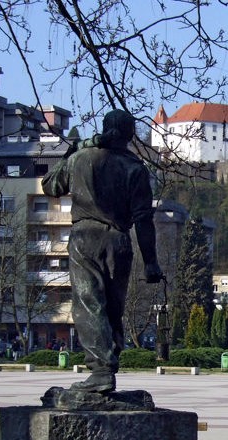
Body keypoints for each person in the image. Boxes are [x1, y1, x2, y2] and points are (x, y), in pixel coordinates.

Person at [42, 109, 162, 393]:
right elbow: (144, 219)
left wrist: (71, 152)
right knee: (112, 308)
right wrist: (151, 262)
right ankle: (107, 366)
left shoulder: (81, 158)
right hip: (119, 241)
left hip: (85, 238)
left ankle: (101, 370)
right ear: (130, 135)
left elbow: (50, 186)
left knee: (89, 303)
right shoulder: (135, 168)